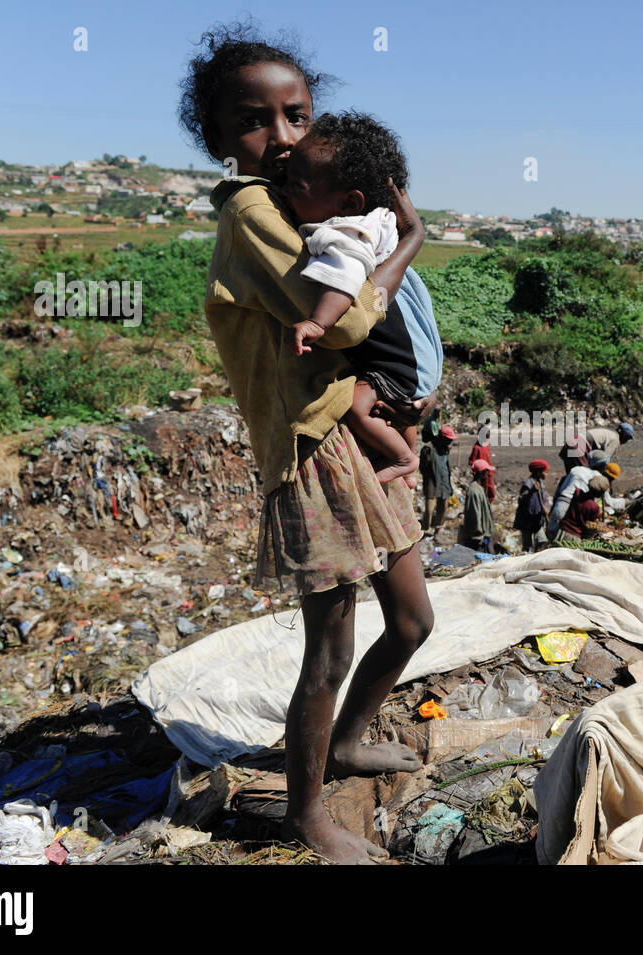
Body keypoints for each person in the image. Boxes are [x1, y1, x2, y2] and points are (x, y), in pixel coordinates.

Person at [185, 23, 431, 863]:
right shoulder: (253, 212)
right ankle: (307, 814)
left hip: (348, 438)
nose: (282, 139)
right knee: (328, 649)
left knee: (412, 618)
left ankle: (353, 738)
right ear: (217, 137)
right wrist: (405, 245)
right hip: (310, 452)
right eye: (256, 122)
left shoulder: (300, 207)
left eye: (298, 116)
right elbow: (349, 320)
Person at [282, 113, 443, 486]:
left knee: (357, 407)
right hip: (411, 357)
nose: (286, 192)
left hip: (397, 362)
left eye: (297, 185)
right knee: (389, 411)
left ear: (350, 202)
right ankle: (406, 464)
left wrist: (318, 323)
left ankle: (403, 460)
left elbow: (344, 278)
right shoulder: (376, 223)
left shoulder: (345, 234)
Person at [420, 425, 455, 531]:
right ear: (441, 437)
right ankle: (426, 529)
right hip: (432, 484)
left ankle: (438, 528)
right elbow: (422, 468)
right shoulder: (428, 449)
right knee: (429, 510)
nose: (450, 442)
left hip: (444, 484)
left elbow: (446, 467)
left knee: (443, 508)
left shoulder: (445, 449)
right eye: (448, 439)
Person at [557, 474, 610, 539]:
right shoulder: (594, 507)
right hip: (574, 534)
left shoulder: (577, 493)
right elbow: (589, 525)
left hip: (562, 529)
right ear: (600, 493)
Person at [514, 459, 551, 552]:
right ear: (538, 472)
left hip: (536, 520)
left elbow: (545, 498)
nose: (547, 474)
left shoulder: (541, 483)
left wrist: (546, 508)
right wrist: (532, 491)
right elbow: (522, 499)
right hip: (527, 521)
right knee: (528, 545)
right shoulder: (528, 483)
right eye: (545, 472)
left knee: (542, 541)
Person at [460, 460, 494, 550]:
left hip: (483, 535)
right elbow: (475, 515)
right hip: (477, 539)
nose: (488, 476)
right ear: (482, 474)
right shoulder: (474, 491)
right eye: (487, 473)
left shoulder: (479, 488)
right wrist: (478, 536)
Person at [467, 426, 496, 502]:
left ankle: (488, 504)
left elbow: (488, 458)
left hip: (488, 472)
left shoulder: (486, 446)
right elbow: (472, 462)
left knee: (490, 491)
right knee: (481, 491)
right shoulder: (476, 448)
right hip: (480, 474)